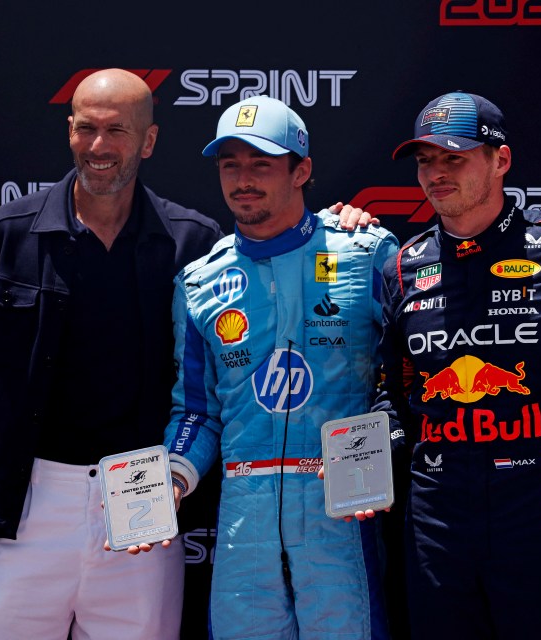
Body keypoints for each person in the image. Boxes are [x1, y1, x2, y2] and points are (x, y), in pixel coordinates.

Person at [0, 68, 225, 639]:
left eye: (117, 131)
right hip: (24, 501)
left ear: (148, 141)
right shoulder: (6, 234)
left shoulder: (193, 242)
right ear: (69, 130)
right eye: (87, 129)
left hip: (143, 497)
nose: (100, 147)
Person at [373, 91, 541, 639]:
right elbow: (390, 388)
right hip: (435, 519)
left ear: (500, 160)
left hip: (538, 509)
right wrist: (372, 448)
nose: (435, 173)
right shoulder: (401, 266)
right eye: (424, 161)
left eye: (453, 158)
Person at [162, 95, 399, 639]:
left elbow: (405, 379)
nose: (243, 180)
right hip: (244, 518)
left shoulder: (367, 252)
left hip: (343, 510)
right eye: (231, 166)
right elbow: (196, 410)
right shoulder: (199, 281)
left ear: (303, 170)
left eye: (261, 164)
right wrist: (172, 479)